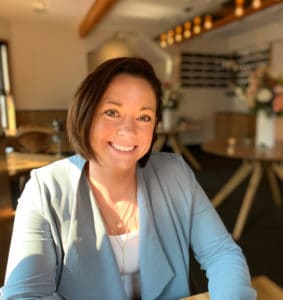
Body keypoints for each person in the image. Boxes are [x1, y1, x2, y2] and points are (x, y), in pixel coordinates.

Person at [1, 57, 256, 300]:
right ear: (86, 113)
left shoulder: (175, 174)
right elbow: (26, 294)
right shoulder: (44, 191)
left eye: (144, 117)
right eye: (112, 112)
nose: (128, 130)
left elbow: (221, 254)